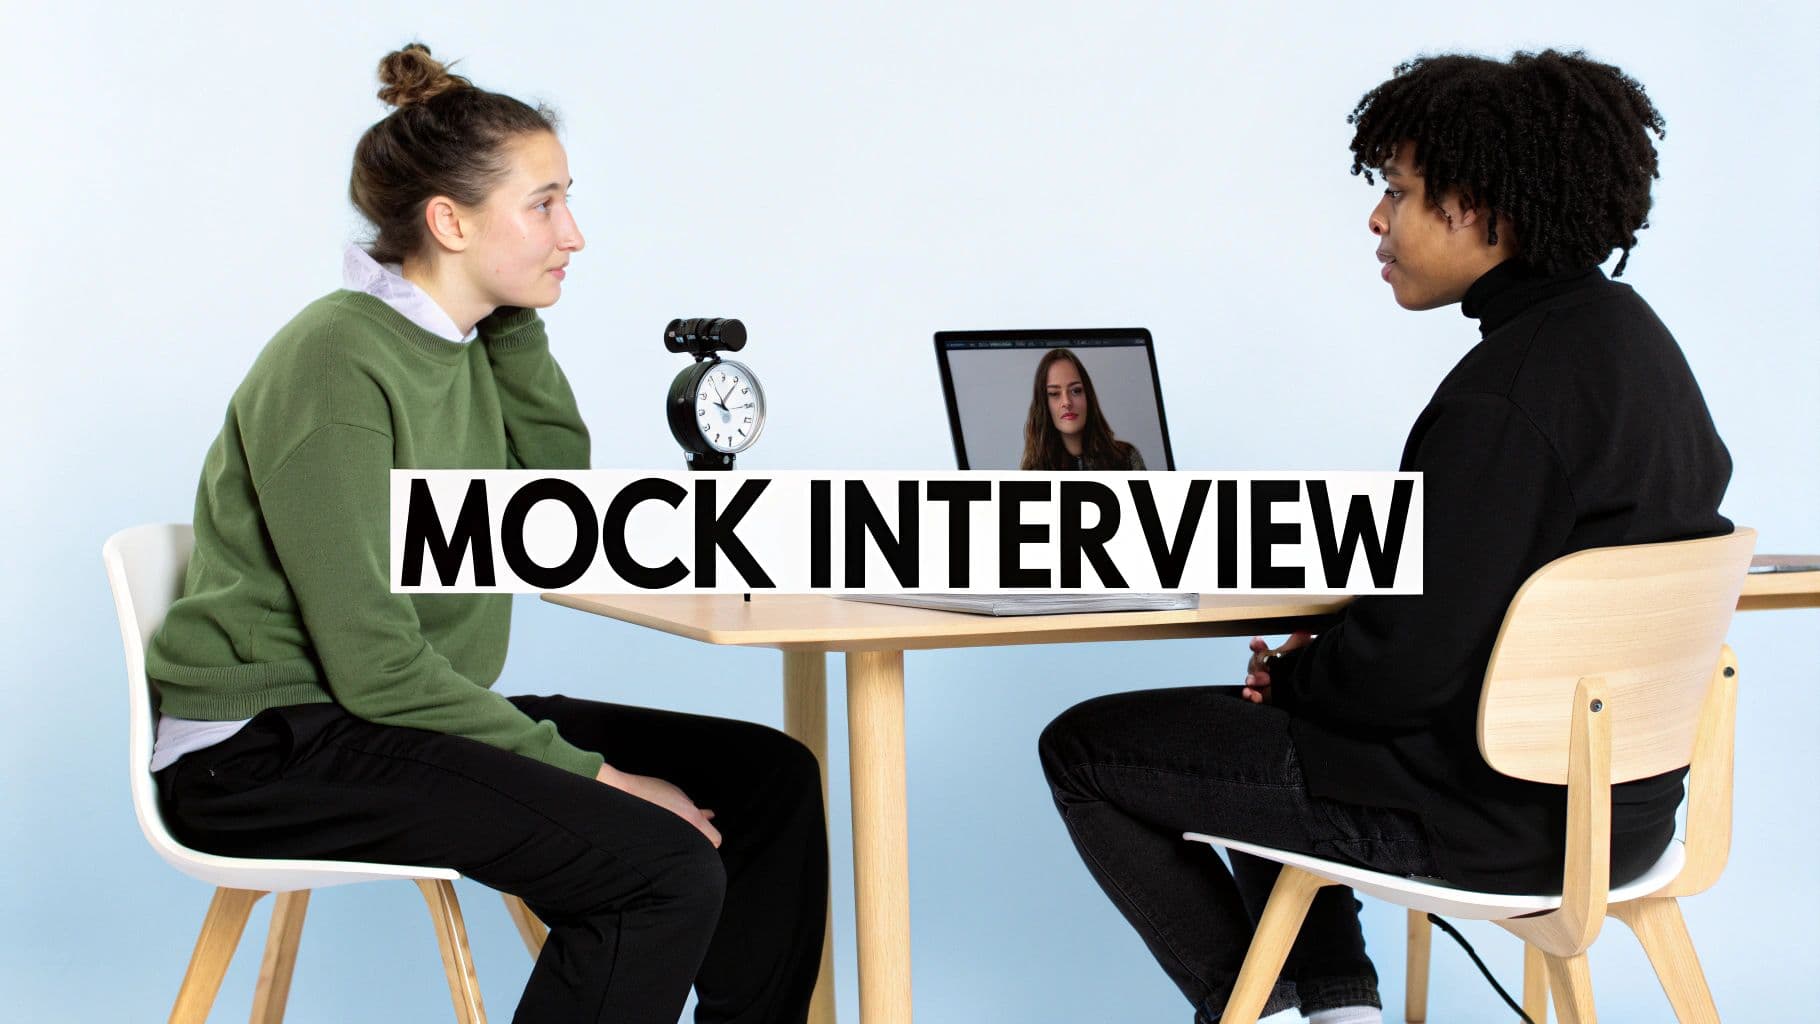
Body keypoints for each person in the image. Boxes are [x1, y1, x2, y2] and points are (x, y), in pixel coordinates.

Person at [1039, 49, 1731, 1023]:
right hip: (1621, 811)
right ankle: (1340, 1010)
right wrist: (1320, 674)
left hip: (1488, 820)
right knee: (1275, 730)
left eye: (1398, 193)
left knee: (1084, 747)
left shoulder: (1502, 399)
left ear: (1479, 207)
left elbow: (1405, 671)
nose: (1376, 218)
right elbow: (1473, 604)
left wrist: (1295, 679)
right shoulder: (1635, 343)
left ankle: (1259, 1009)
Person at [145, 45, 826, 1024]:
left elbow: (549, 516)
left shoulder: (462, 343)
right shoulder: (336, 360)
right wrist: (601, 776)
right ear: (450, 222)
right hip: (271, 750)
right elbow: (374, 664)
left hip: (388, 717)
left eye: (567, 201)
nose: (573, 234)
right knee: (659, 869)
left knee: (768, 779)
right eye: (543, 206)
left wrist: (512, 316)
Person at [1020, 347, 1147, 470]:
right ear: (1043, 404)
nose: (1067, 402)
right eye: (1054, 393)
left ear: (1088, 396)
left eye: (1076, 391)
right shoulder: (1034, 473)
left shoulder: (1126, 458)